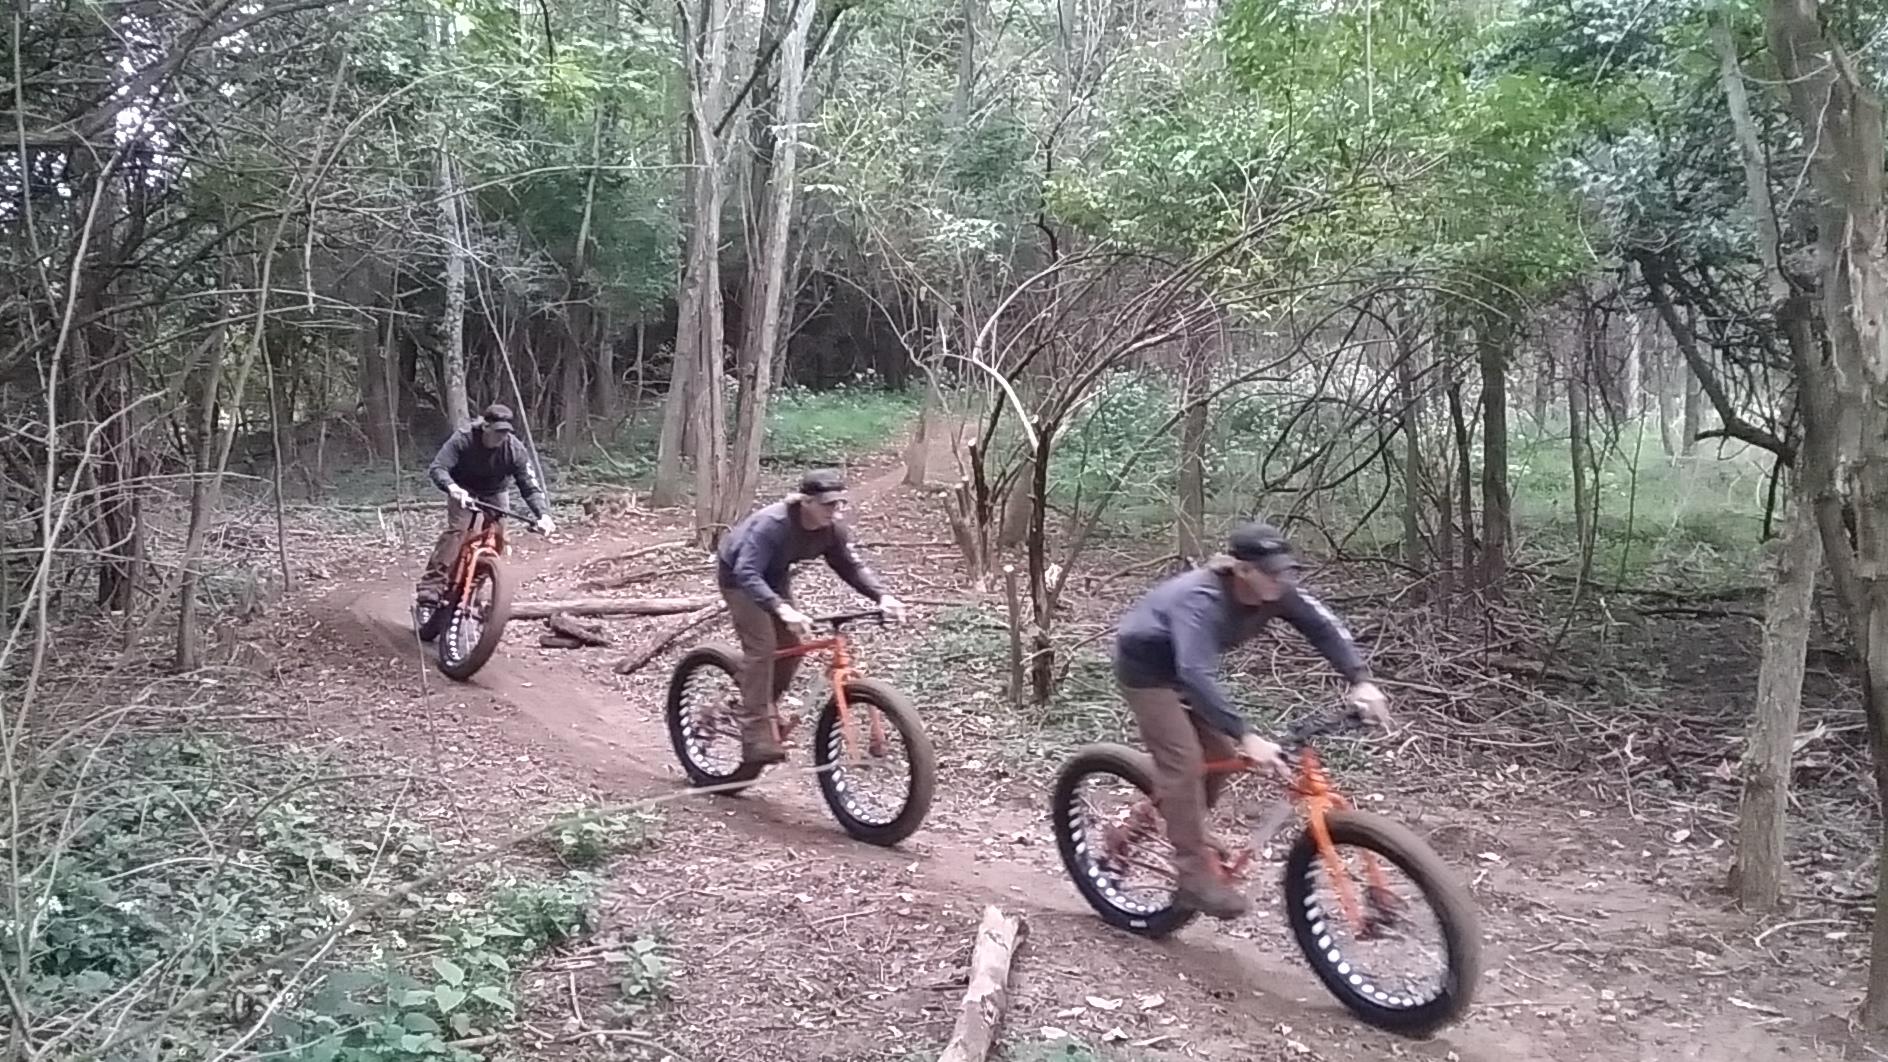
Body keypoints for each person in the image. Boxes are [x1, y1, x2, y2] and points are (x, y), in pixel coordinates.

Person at [1112, 520, 1389, 920]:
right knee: (1185, 760)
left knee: (1217, 759)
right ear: (1242, 570)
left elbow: (1324, 627)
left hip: (1187, 668)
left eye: (1287, 571)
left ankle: (1157, 826)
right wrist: (1246, 734)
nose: (1283, 580)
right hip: (1148, 673)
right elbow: (1194, 672)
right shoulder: (1201, 599)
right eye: (1273, 572)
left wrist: (1360, 681)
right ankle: (1193, 875)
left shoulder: (1276, 592)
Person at [716, 469, 907, 766]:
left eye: (840, 504)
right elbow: (747, 572)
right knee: (762, 647)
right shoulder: (772, 525)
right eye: (828, 505)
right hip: (739, 577)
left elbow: (850, 567)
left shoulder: (832, 530)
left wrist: (882, 596)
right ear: (805, 502)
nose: (836, 511)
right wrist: (782, 609)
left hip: (774, 576)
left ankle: (759, 706)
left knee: (791, 648)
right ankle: (755, 733)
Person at [415, 402, 555, 608]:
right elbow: (438, 468)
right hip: (462, 488)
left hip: (495, 491)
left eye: (506, 432)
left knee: (498, 537)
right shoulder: (463, 438)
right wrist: (452, 488)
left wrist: (543, 515)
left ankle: (474, 585)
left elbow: (530, 486)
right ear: (485, 426)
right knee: (458, 530)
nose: (501, 437)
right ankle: (432, 584)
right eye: (498, 432)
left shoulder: (514, 449)